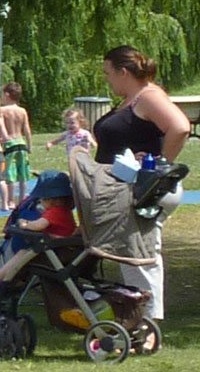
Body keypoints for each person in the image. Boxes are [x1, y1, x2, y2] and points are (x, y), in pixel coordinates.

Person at [90, 45, 189, 320]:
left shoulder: (148, 97)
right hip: (126, 189)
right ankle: (134, 318)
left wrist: (159, 168)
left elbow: (180, 127)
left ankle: (146, 324)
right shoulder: (132, 99)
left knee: (141, 256)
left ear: (124, 72)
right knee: (132, 256)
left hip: (146, 189)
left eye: (108, 73)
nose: (106, 79)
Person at [0, 194, 76, 286]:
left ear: (51, 201)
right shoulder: (65, 212)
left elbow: (38, 225)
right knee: (25, 252)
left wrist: (24, 224)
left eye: (42, 199)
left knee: (22, 253)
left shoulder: (54, 212)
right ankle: (4, 278)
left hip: (56, 253)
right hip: (64, 250)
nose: (40, 202)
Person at [0, 82, 34, 204]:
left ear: (7, 95)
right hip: (21, 143)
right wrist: (29, 145)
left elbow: (0, 129)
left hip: (9, 144)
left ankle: (10, 200)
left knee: (10, 173)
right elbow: (27, 130)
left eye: (2, 95)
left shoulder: (2, 110)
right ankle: (23, 199)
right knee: (23, 173)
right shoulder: (22, 111)